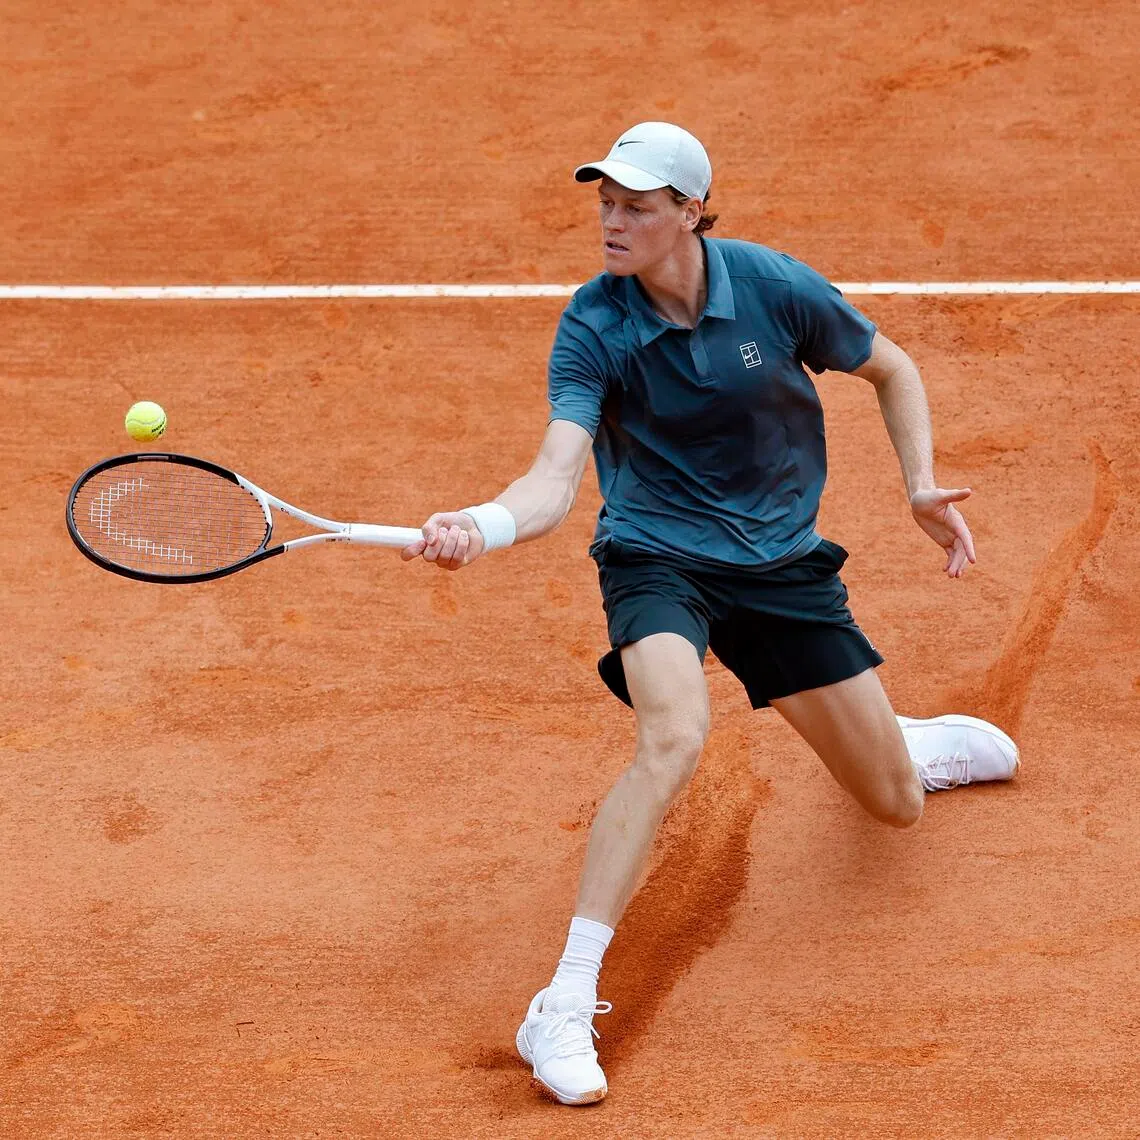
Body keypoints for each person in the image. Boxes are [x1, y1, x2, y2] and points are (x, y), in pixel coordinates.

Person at [400, 121, 1019, 1106]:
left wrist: (918, 485)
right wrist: (483, 523)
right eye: (604, 203)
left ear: (691, 213)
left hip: (779, 565)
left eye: (635, 207)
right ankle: (561, 1002)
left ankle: (899, 743)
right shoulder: (594, 326)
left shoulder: (772, 288)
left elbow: (890, 368)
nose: (612, 221)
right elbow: (556, 479)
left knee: (893, 803)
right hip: (657, 561)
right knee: (673, 736)